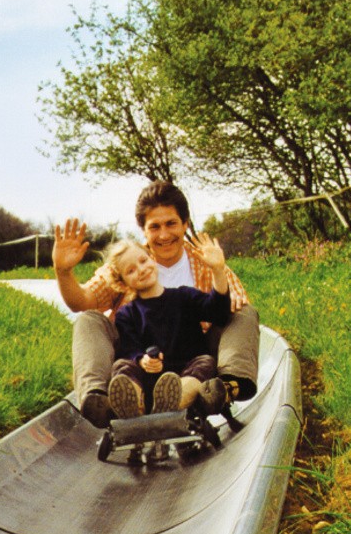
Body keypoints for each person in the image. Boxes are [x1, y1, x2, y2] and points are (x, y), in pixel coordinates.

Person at [53, 180, 260, 428]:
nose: (163, 235)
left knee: (244, 312)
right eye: (155, 227)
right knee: (88, 319)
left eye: (171, 224)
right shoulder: (130, 261)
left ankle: (224, 388)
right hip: (137, 363)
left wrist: (224, 290)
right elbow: (82, 301)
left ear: (185, 224)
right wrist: (63, 272)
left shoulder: (206, 261)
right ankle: (100, 400)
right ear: (144, 231)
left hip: (193, 361)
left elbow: (230, 309)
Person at [102, 234, 231, 419]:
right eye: (130, 271)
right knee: (122, 365)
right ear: (122, 283)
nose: (141, 270)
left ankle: (175, 400)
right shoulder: (126, 314)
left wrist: (218, 270)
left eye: (143, 260)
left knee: (205, 362)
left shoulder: (184, 296)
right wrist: (141, 360)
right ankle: (133, 403)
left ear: (152, 259)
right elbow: (129, 348)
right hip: (148, 381)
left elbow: (218, 312)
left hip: (187, 372)